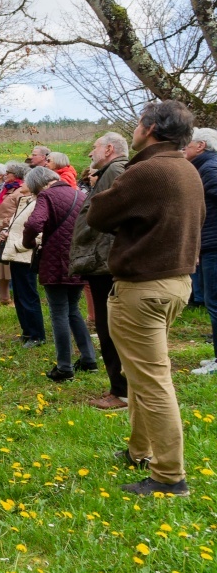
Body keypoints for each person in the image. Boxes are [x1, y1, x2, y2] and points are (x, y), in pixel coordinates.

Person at [88, 100, 204, 496]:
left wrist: (98, 180)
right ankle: (140, 450)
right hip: (174, 282)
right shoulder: (185, 168)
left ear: (151, 128)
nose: (135, 129)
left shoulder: (149, 170)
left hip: (144, 287)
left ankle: (169, 477)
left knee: (153, 381)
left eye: (138, 123)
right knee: (141, 373)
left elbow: (98, 215)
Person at [70, 131, 131, 409]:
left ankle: (121, 392)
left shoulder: (116, 170)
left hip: (104, 259)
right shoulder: (111, 171)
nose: (90, 154)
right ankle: (120, 388)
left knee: (110, 328)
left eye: (94, 148)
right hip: (102, 257)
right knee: (108, 327)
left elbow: (104, 215)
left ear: (108, 148)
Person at [22, 166, 96, 381]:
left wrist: (28, 243)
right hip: (79, 258)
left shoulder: (47, 195)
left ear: (38, 184)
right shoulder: (79, 194)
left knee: (59, 313)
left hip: (55, 260)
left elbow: (35, 223)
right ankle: (89, 358)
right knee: (73, 310)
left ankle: (64, 367)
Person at [184, 128, 217, 376]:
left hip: (214, 245)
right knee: (211, 301)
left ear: (201, 146)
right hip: (209, 244)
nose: (185, 147)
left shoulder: (209, 169)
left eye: (189, 143)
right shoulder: (204, 167)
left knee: (214, 303)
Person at [0, 179, 46, 347]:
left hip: (25, 254)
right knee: (19, 295)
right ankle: (27, 332)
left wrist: (20, 245)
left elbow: (40, 231)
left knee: (28, 294)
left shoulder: (39, 203)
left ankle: (37, 335)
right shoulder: (26, 201)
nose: (21, 184)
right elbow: (16, 224)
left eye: (26, 181)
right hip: (16, 254)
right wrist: (6, 232)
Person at [0, 162, 29, 305]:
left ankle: (17, 298)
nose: (5, 175)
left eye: (9, 172)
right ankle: (4, 298)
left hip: (10, 234)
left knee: (10, 269)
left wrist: (4, 222)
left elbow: (22, 213)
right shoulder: (5, 190)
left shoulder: (21, 191)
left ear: (16, 175)